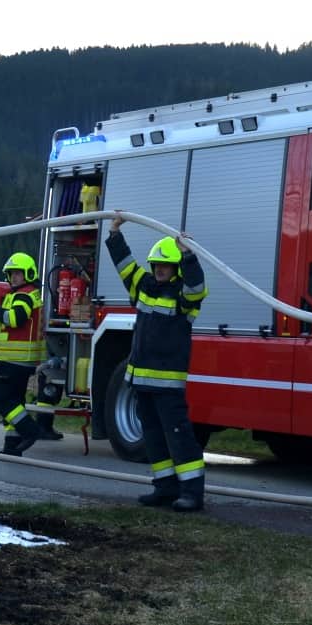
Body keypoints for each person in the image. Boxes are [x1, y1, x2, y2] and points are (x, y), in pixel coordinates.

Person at [105, 214, 208, 512]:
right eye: (157, 265)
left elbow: (197, 287)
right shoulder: (144, 286)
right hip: (141, 380)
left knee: (179, 436)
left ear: (176, 268)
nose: (160, 269)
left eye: (166, 265)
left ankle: (192, 492)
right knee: (152, 436)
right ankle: (164, 488)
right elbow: (125, 265)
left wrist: (188, 255)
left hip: (167, 383)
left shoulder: (184, 295)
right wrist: (115, 234)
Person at [0, 252, 48, 456]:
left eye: (18, 273)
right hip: (21, 360)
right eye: (11, 273)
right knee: (15, 401)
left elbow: (15, 319)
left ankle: (30, 430)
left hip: (13, 360)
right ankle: (12, 444)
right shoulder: (28, 294)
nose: (13, 277)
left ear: (28, 274)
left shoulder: (23, 295)